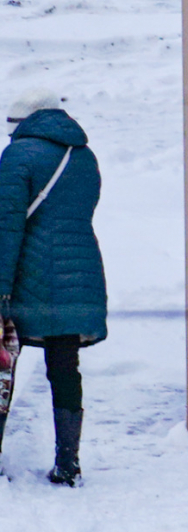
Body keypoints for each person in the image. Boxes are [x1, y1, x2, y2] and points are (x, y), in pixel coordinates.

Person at [0, 89, 107, 485]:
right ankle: (68, 462)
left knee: (2, 366)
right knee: (64, 368)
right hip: (78, 272)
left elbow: (7, 228)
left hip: (27, 276)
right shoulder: (84, 155)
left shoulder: (18, 156)